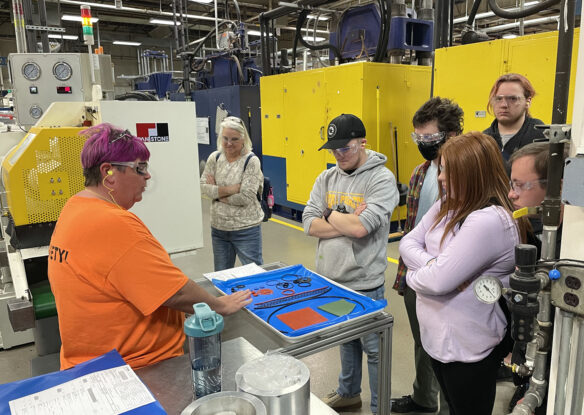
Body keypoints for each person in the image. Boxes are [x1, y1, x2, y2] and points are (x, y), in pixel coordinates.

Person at [48, 123, 251, 371]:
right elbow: (174, 292)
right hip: (135, 367)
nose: (147, 176)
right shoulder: (112, 223)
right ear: (108, 172)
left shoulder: (75, 207)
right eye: (139, 168)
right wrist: (221, 305)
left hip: (88, 360)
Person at [400, 131, 526, 415]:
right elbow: (408, 242)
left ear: (473, 173)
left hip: (468, 348)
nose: (441, 178)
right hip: (438, 340)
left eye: (449, 171)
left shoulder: (489, 220)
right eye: (441, 169)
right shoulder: (446, 205)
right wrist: (436, 265)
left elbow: (438, 281)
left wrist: (415, 276)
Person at [302, 113, 399, 414]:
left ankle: (379, 407)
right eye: (334, 149)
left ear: (362, 142)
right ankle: (348, 393)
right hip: (331, 279)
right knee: (346, 341)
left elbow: (362, 229)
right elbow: (308, 223)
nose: (339, 154)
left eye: (346, 147)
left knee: (374, 349)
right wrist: (347, 220)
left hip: (364, 281)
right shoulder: (326, 178)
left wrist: (329, 213)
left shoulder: (381, 179)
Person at [391, 97, 464, 414]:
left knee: (450, 349)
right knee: (423, 342)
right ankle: (423, 399)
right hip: (415, 271)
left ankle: (451, 407)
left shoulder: (468, 173)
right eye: (417, 138)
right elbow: (413, 226)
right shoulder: (420, 172)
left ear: (451, 135)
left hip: (451, 277)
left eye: (428, 138)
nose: (422, 144)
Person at [507, 141, 568, 413]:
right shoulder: (536, 232)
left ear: (558, 188)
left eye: (520, 185)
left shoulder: (572, 245)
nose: (511, 194)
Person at [200, 116, 264, 271]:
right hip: (219, 229)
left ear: (243, 140)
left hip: (246, 229)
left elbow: (245, 197)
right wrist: (231, 189)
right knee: (222, 275)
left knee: (255, 275)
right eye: (225, 138)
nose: (229, 143)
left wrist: (217, 193)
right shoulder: (214, 158)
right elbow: (204, 188)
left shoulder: (251, 161)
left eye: (234, 139)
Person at [483, 73, 546, 160]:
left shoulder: (541, 136)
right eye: (498, 99)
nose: (504, 105)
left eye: (513, 99)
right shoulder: (484, 140)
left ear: (528, 102)